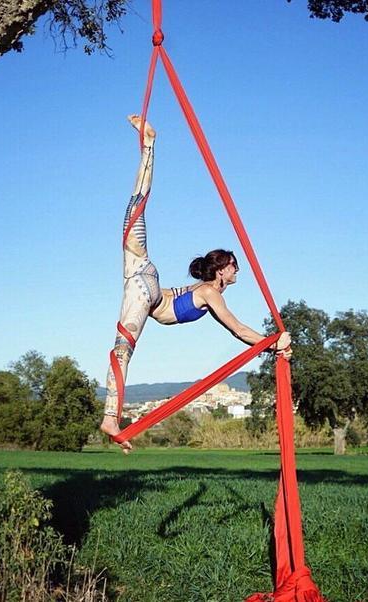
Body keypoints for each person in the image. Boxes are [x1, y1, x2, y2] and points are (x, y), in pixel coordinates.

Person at [100, 116, 291, 451]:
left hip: (148, 281)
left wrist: (273, 342)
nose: (237, 272)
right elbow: (238, 329)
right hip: (145, 290)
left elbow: (182, 304)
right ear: (221, 271)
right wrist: (273, 342)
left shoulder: (201, 290)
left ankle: (149, 146)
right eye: (234, 267)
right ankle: (109, 417)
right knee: (122, 351)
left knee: (135, 209)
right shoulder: (208, 293)